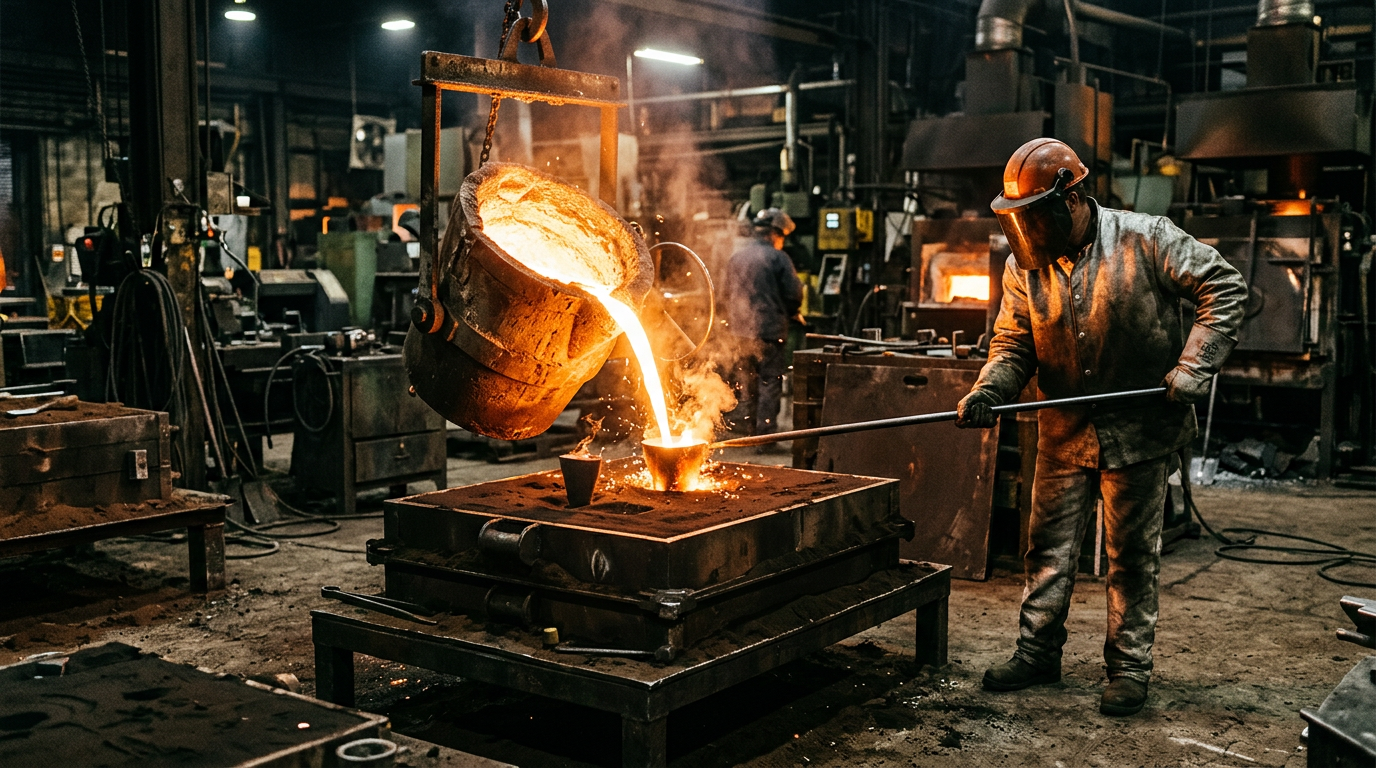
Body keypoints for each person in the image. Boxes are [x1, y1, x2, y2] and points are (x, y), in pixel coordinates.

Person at [955, 138, 1247, 716]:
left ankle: (1128, 668)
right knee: (1047, 552)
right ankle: (1037, 653)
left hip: (1140, 432)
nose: (1031, 231)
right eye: (1023, 219)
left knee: (1131, 556)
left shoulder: (1147, 237)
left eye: (1039, 216)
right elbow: (1013, 344)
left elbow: (1225, 286)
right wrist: (989, 389)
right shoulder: (1024, 266)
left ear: (1076, 196)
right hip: (1061, 430)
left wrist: (1194, 366)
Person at [722, 208, 805, 437]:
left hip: (740, 331)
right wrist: (791, 312)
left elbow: (725, 294)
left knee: (746, 382)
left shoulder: (737, 257)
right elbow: (793, 294)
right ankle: (765, 434)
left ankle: (746, 431)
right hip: (769, 331)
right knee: (769, 381)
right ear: (775, 234)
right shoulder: (779, 258)